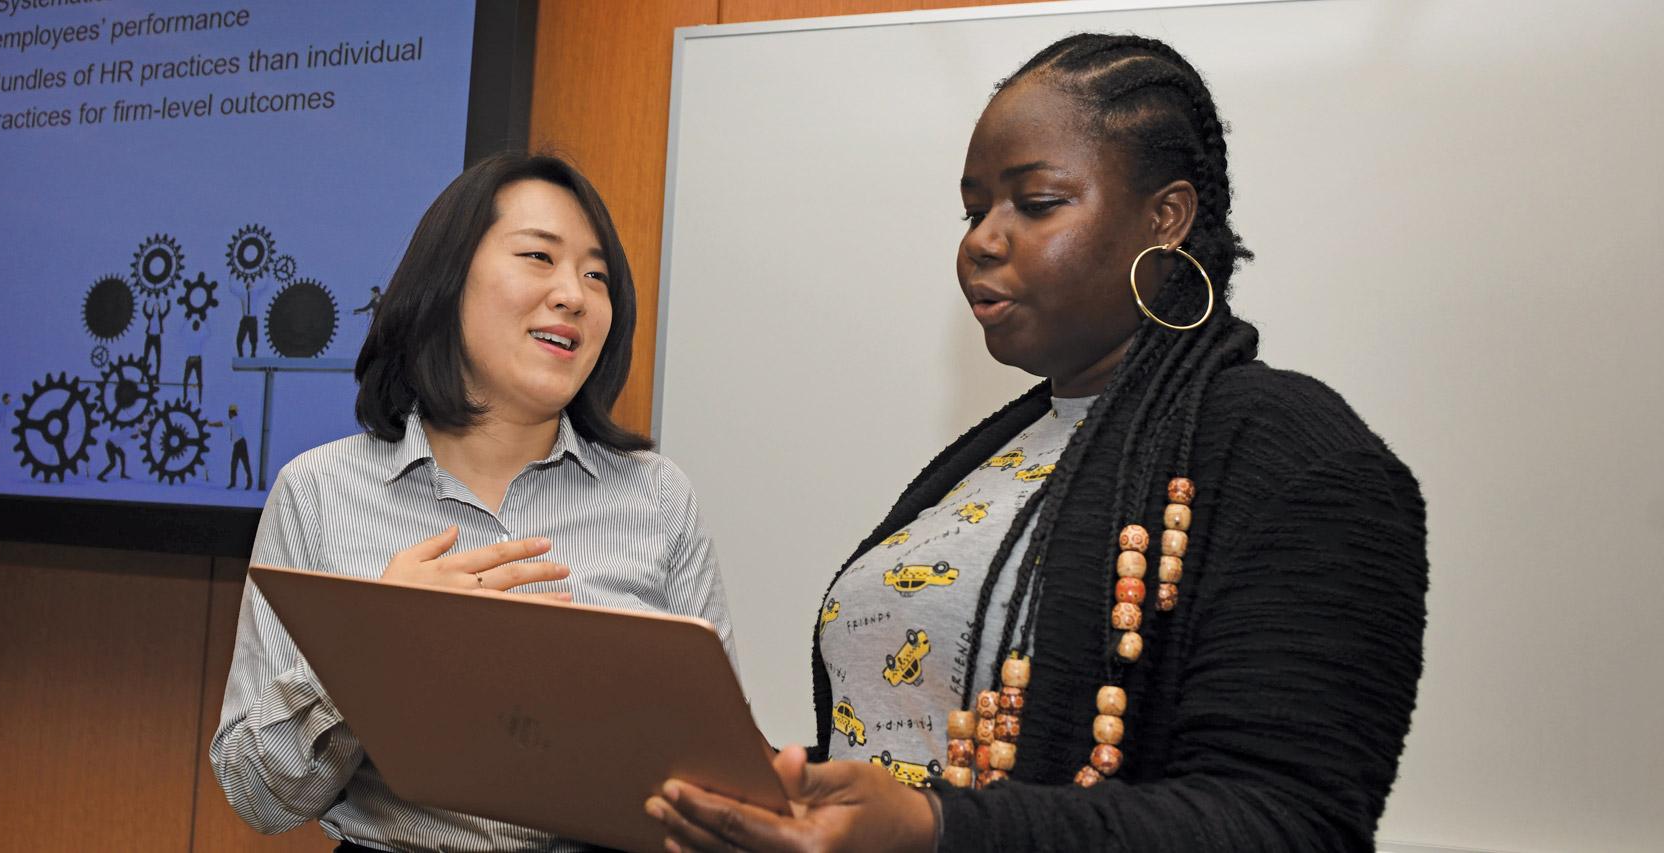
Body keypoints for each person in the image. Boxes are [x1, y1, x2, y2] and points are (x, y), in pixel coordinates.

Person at [645, 33, 1428, 852]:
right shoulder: (985, 457)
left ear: (1165, 218)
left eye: (1037, 202)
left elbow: (1290, 825)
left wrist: (932, 829)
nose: (982, 240)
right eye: (974, 208)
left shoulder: (1299, 458)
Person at [212, 152, 739, 852]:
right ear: (448, 279)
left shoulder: (657, 496)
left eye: (596, 275)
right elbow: (257, 794)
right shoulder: (319, 490)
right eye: (538, 257)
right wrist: (372, 645)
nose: (574, 295)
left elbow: (722, 781)